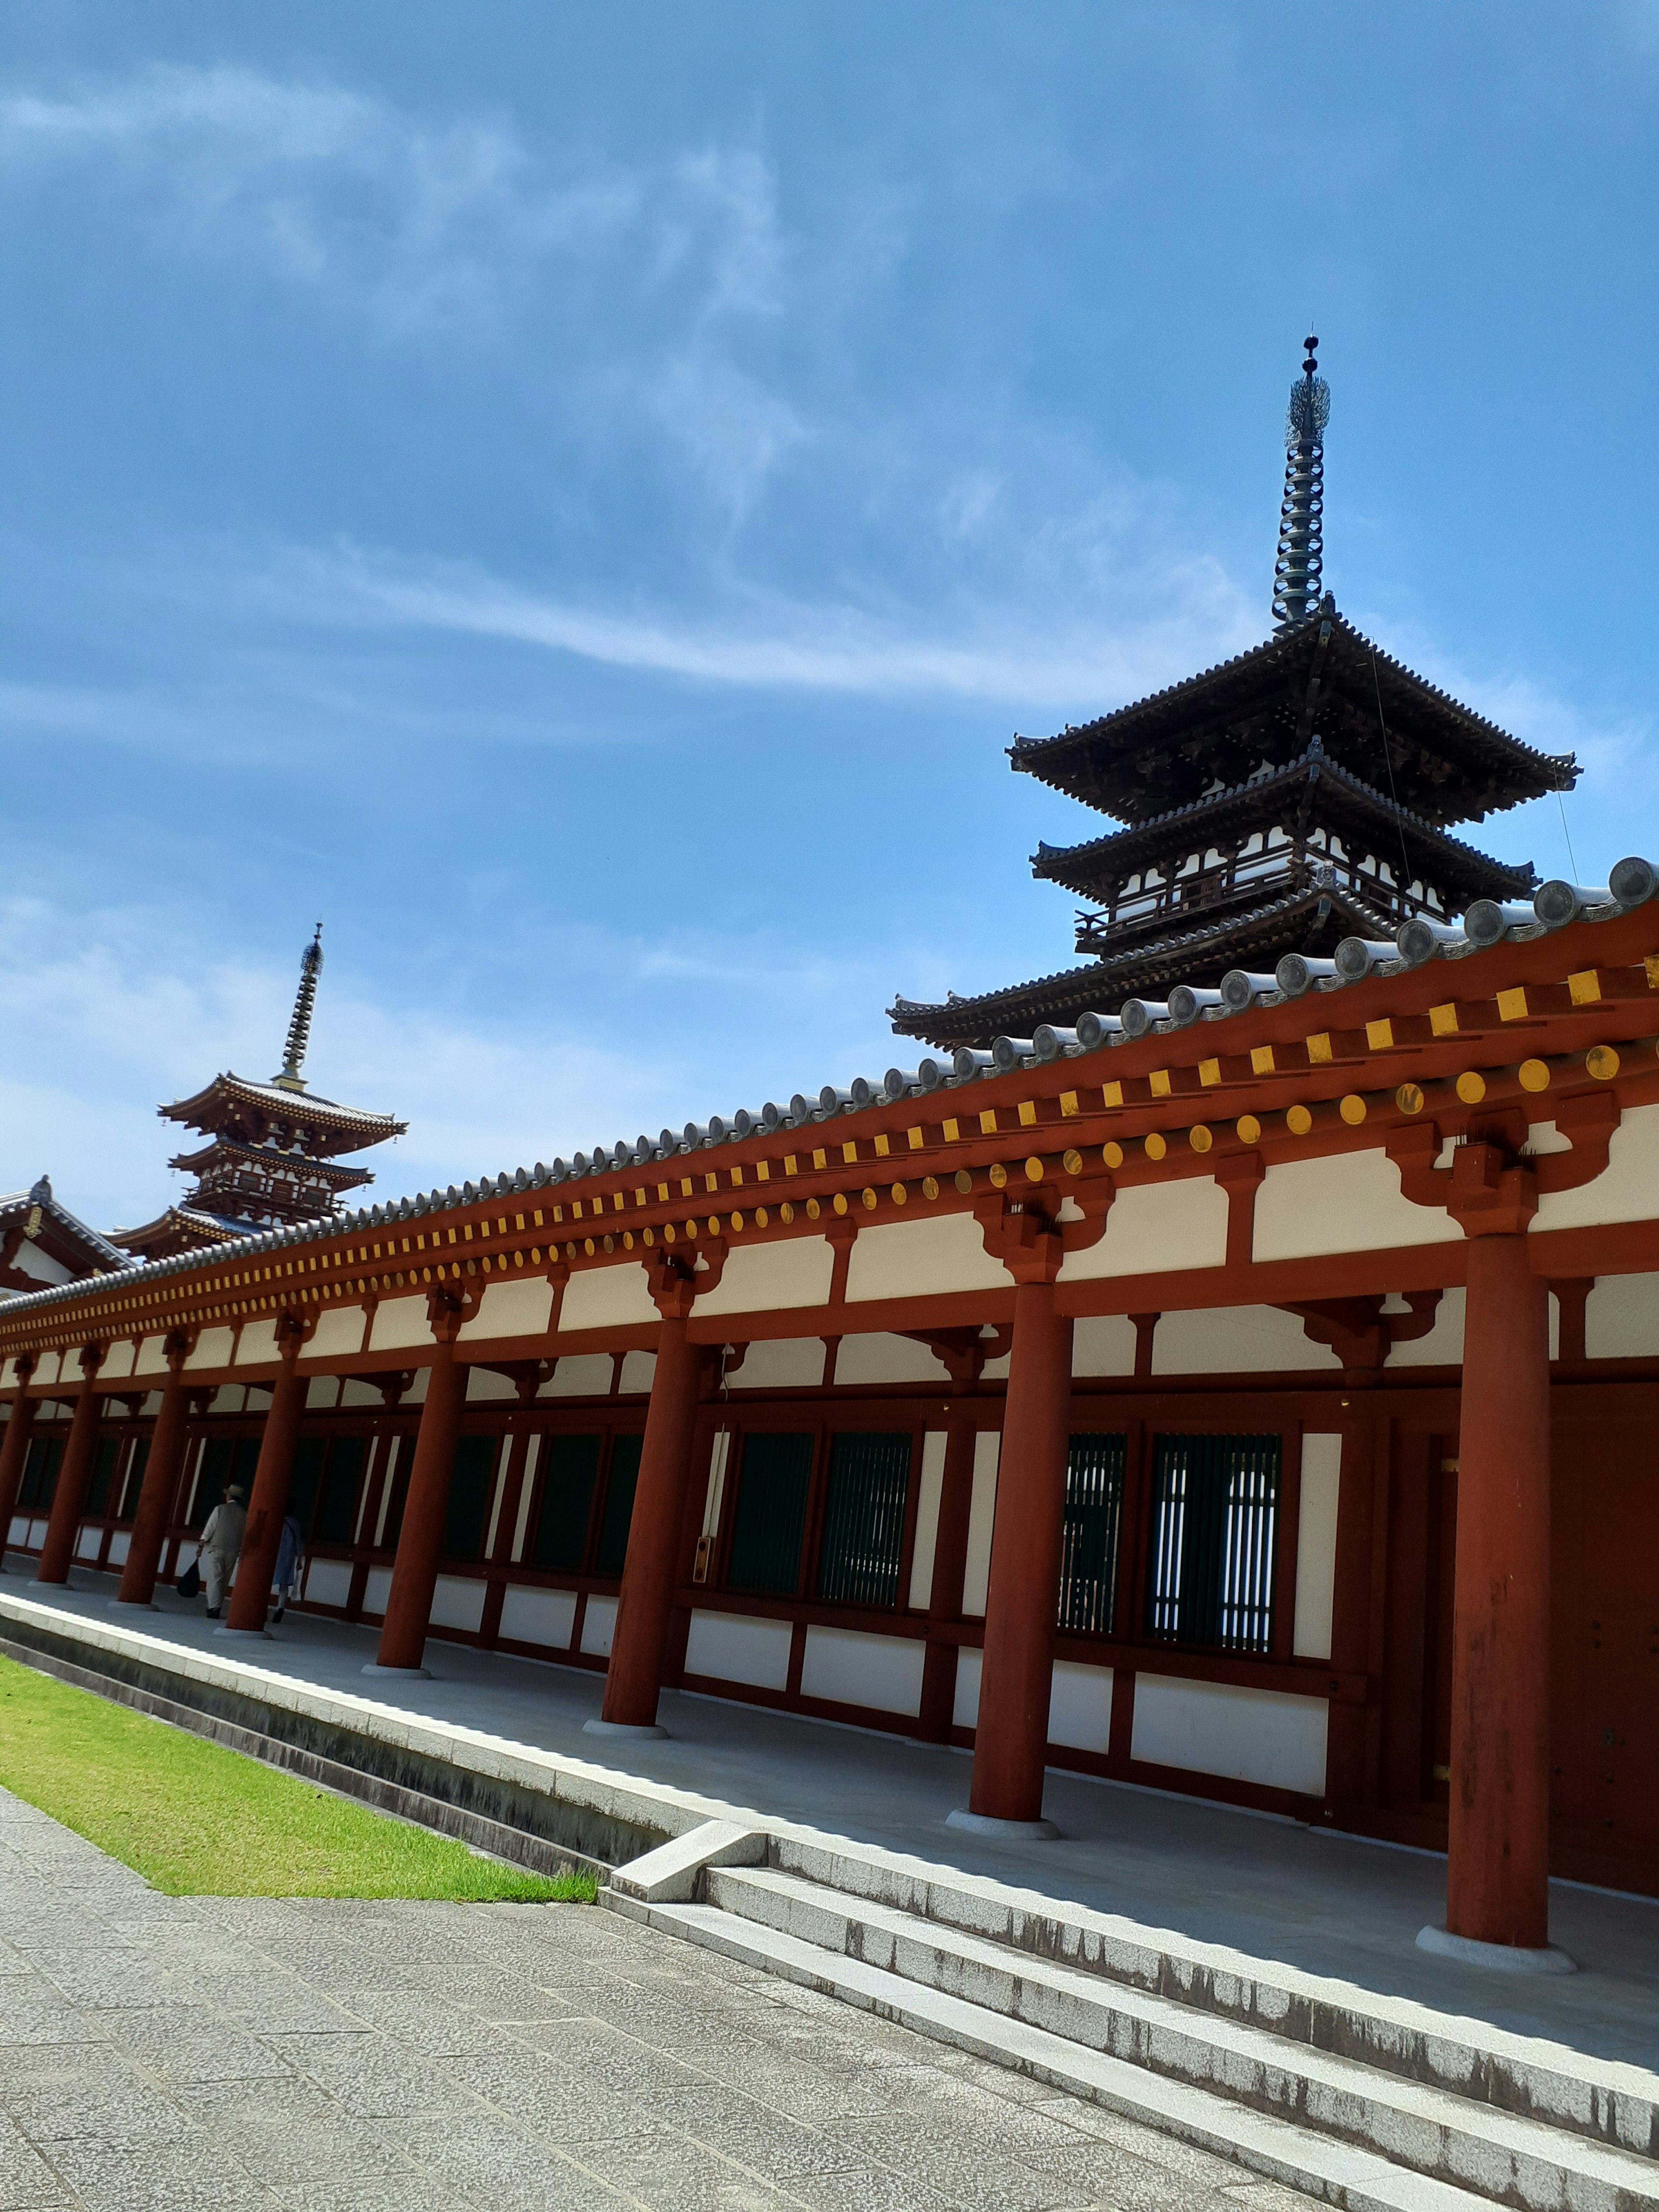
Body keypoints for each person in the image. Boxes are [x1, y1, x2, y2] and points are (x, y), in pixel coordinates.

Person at [198, 1483, 246, 1620]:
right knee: (225, 1579)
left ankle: (214, 1607)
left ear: (229, 1496)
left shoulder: (220, 1509)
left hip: (217, 1547)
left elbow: (211, 1526)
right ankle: (218, 1605)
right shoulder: (244, 1514)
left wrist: (203, 1541)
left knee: (215, 1578)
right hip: (234, 1549)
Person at [271, 1507, 305, 1625]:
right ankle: (280, 1608)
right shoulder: (295, 1524)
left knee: (266, 1580)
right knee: (284, 1584)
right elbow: (299, 1541)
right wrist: (300, 1558)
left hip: (274, 1554)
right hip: (288, 1556)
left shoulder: (275, 1521)